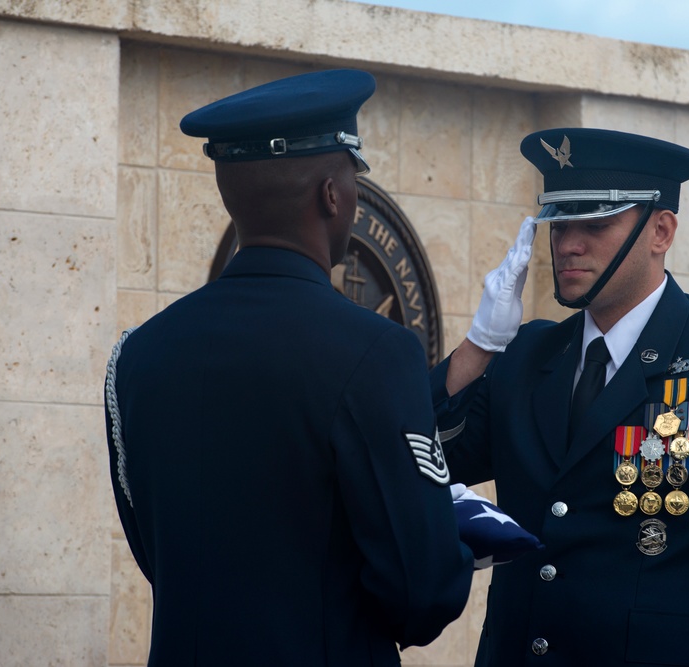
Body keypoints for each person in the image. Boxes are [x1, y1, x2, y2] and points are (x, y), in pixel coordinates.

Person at [432, 127, 689, 666]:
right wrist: (478, 348)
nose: (568, 243)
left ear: (661, 231)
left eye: (596, 223)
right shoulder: (528, 357)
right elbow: (422, 458)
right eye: (559, 223)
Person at [103, 69, 475, 667]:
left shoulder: (139, 355)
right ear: (331, 194)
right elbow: (423, 591)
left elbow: (159, 555)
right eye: (355, 180)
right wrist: (455, 542)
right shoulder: (375, 352)